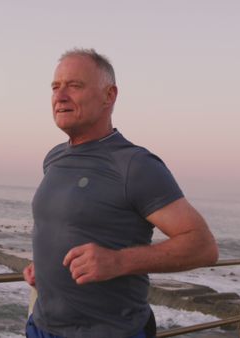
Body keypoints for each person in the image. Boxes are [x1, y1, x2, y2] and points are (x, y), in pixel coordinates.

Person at [23, 48, 218, 338]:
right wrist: (49, 269)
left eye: (74, 86)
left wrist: (118, 262)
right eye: (55, 87)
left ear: (109, 95)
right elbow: (71, 223)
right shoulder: (54, 158)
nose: (60, 96)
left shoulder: (135, 165)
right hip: (42, 327)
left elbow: (203, 246)